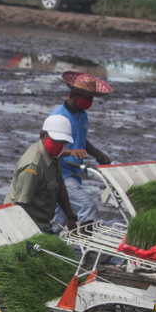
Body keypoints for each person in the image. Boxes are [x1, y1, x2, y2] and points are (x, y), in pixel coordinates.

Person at [50, 71, 114, 227]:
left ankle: (46, 245)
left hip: (75, 173)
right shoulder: (59, 117)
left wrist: (98, 154)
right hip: (60, 173)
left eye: (90, 98)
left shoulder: (82, 115)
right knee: (87, 207)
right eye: (85, 97)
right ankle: (89, 249)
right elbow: (47, 149)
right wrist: (70, 152)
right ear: (73, 94)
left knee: (61, 218)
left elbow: (81, 140)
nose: (88, 101)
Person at [5, 114, 80, 234]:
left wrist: (70, 216)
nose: (60, 146)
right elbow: (20, 206)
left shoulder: (54, 156)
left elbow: (59, 185)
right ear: (43, 136)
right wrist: (35, 236)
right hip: (24, 225)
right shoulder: (32, 166)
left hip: (43, 222)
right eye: (57, 141)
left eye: (64, 143)